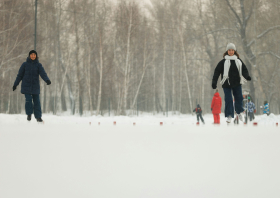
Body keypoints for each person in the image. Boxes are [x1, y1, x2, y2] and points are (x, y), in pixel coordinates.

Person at [212, 43, 251, 123]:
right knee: (228, 99)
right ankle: (229, 115)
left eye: (232, 50)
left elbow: (244, 69)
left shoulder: (238, 61)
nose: (231, 51)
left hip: (237, 83)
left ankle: (239, 112)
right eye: (229, 50)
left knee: (239, 97)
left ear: (234, 51)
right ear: (227, 51)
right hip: (226, 84)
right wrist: (214, 82)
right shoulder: (223, 62)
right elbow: (217, 72)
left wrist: (247, 76)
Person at [13, 50, 51, 122]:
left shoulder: (38, 65)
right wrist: (15, 84)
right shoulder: (24, 64)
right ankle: (29, 114)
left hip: (35, 86)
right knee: (28, 100)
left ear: (36, 56)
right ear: (29, 55)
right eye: (31, 54)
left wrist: (47, 80)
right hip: (26, 86)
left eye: (34, 55)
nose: (33, 56)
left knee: (37, 101)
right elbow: (19, 75)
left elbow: (43, 73)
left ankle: (38, 117)